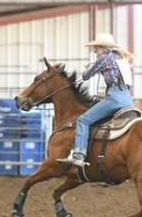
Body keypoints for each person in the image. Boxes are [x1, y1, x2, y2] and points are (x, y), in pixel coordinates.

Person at [57, 33, 134, 167]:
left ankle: (79, 155)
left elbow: (86, 76)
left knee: (83, 120)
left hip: (115, 97)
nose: (95, 51)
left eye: (97, 48)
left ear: (104, 48)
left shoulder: (104, 58)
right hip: (128, 99)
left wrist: (88, 68)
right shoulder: (120, 59)